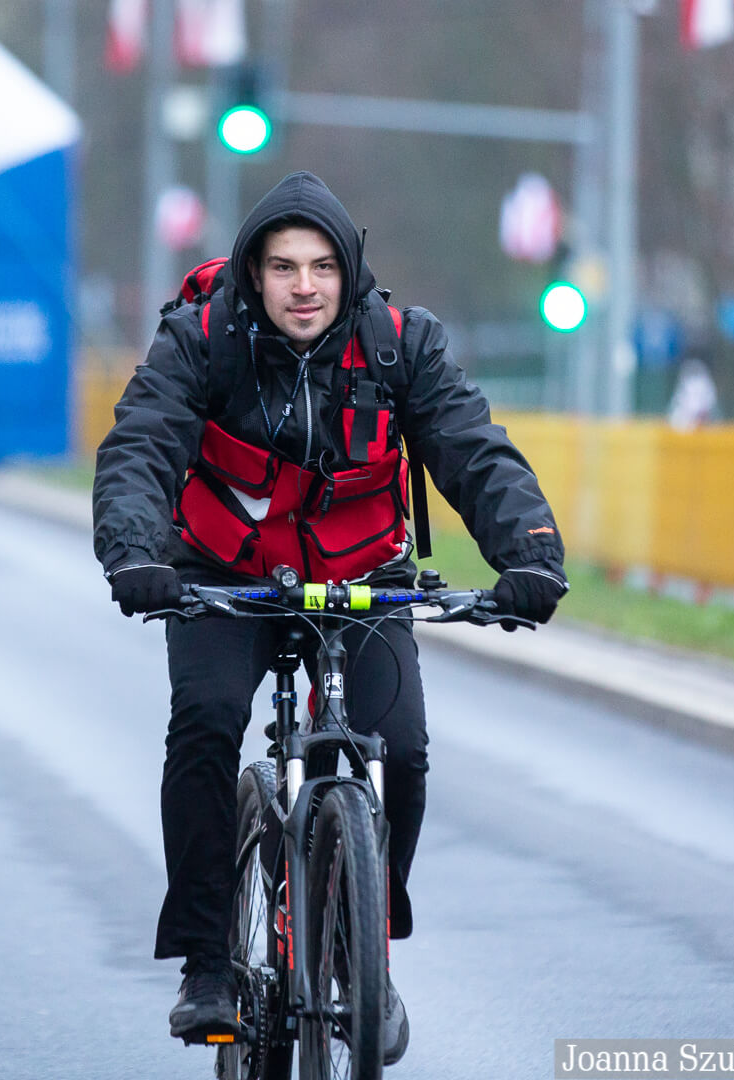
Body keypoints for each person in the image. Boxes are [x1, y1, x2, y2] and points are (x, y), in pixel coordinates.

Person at [92, 171, 569, 1063]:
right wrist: (133, 553)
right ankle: (207, 962)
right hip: (225, 576)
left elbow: (474, 451)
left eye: (321, 268)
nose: (303, 287)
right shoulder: (202, 341)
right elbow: (142, 444)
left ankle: (363, 948)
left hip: (361, 578)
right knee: (205, 722)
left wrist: (532, 554)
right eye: (283, 268)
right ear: (254, 274)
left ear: (348, 272)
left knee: (402, 747)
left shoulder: (401, 347)